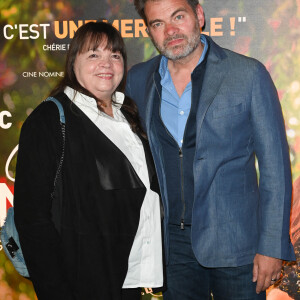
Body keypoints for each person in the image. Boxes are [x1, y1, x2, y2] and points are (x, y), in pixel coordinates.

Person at [125, 0, 296, 299]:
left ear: (199, 15)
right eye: (158, 23)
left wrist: (271, 246)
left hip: (238, 247)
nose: (171, 30)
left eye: (178, 16)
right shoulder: (138, 80)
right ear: (149, 31)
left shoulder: (248, 75)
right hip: (173, 248)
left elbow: (275, 169)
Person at [13, 21, 164, 300]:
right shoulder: (49, 121)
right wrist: (55, 291)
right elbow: (32, 217)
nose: (106, 63)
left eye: (115, 55)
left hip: (127, 280)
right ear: (74, 63)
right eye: (94, 54)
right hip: (78, 284)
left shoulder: (129, 117)